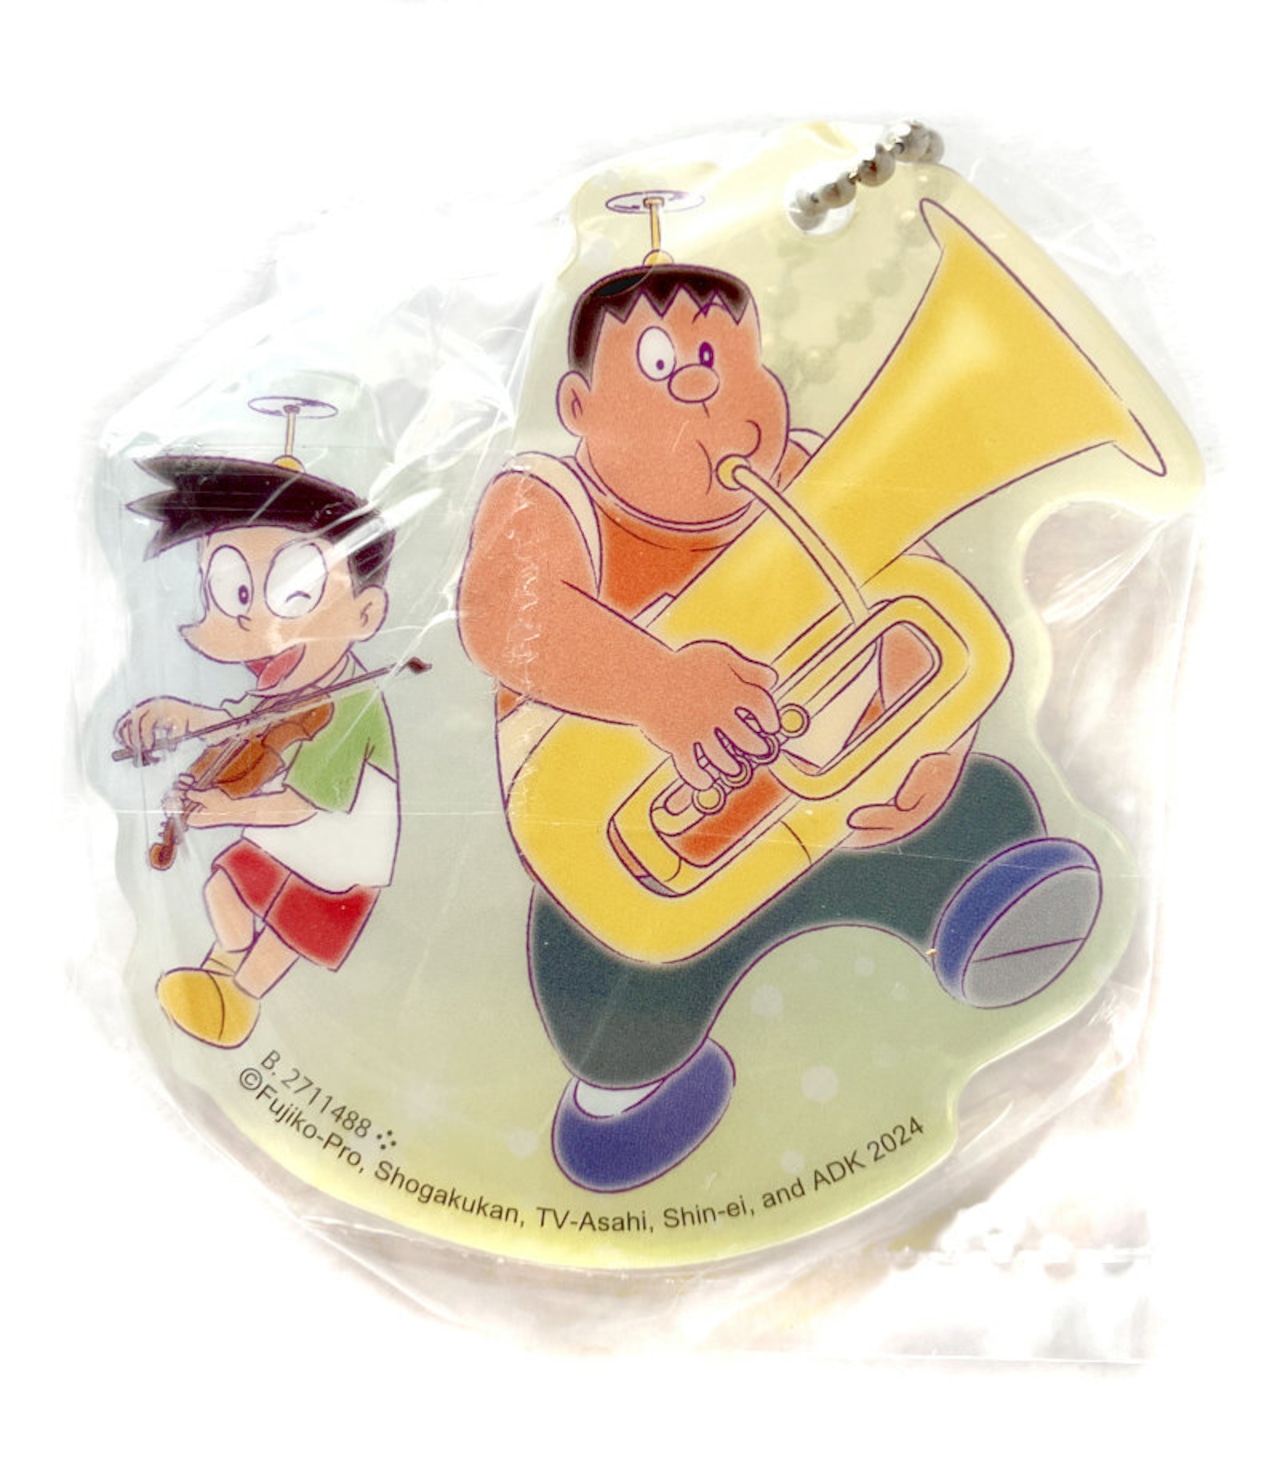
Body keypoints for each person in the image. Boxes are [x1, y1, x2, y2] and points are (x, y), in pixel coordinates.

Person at [459, 259, 1099, 1191]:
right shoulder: (548, 499)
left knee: (980, 802)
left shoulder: (806, 473)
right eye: (659, 366)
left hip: (840, 816)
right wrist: (660, 687)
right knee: (594, 972)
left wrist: (930, 752)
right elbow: (502, 618)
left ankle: (982, 902)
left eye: (724, 360)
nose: (700, 392)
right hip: (638, 865)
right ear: (578, 407)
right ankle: (632, 1086)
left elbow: (926, 623)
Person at [115, 455, 400, 1049]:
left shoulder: (348, 705)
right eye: (232, 591)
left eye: (294, 593)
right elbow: (240, 723)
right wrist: (179, 715)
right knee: (223, 888)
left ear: (366, 612)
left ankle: (238, 997)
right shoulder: (286, 692)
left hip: (339, 852)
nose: (251, 623)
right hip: (289, 840)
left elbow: (303, 802)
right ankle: (221, 973)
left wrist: (225, 809)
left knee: (288, 932)